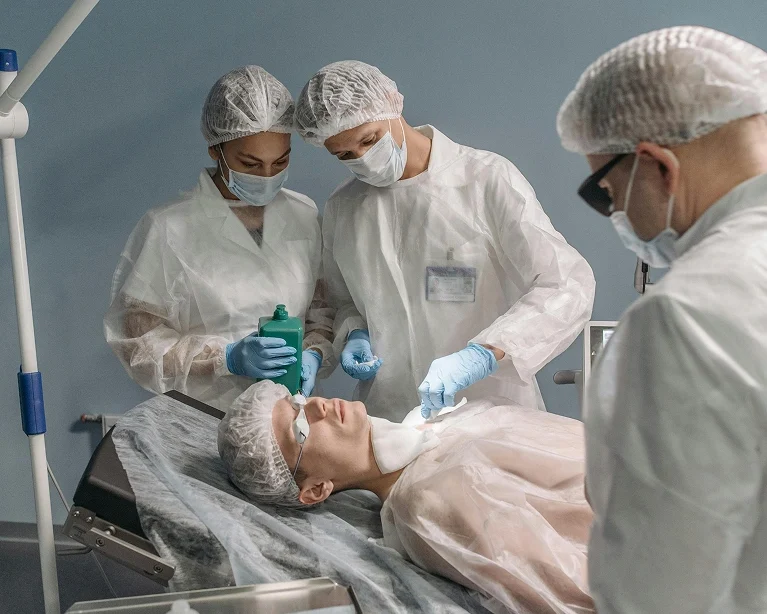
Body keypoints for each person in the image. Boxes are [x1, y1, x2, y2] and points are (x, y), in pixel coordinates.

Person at [556, 26, 767, 613]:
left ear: (656, 166)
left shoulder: (687, 315)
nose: (616, 214)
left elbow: (660, 591)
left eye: (606, 191)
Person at [293, 61, 596, 421]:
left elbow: (565, 283)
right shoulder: (344, 207)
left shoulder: (484, 179)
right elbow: (345, 302)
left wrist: (484, 354)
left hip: (490, 412)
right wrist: (355, 333)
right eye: (344, 155)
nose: (363, 160)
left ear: (391, 103)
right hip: (393, 419)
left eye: (369, 140)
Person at [218, 380, 595, 614]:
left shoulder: (429, 426)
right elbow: (579, 592)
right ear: (317, 489)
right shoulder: (428, 504)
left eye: (298, 401)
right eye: (300, 427)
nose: (316, 405)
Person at [104, 66, 334, 410]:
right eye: (251, 164)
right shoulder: (170, 227)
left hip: (289, 413)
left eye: (280, 161)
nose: (267, 176)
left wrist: (313, 353)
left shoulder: (303, 215)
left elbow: (322, 313)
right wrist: (225, 358)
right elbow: (138, 345)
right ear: (216, 149)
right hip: (203, 416)